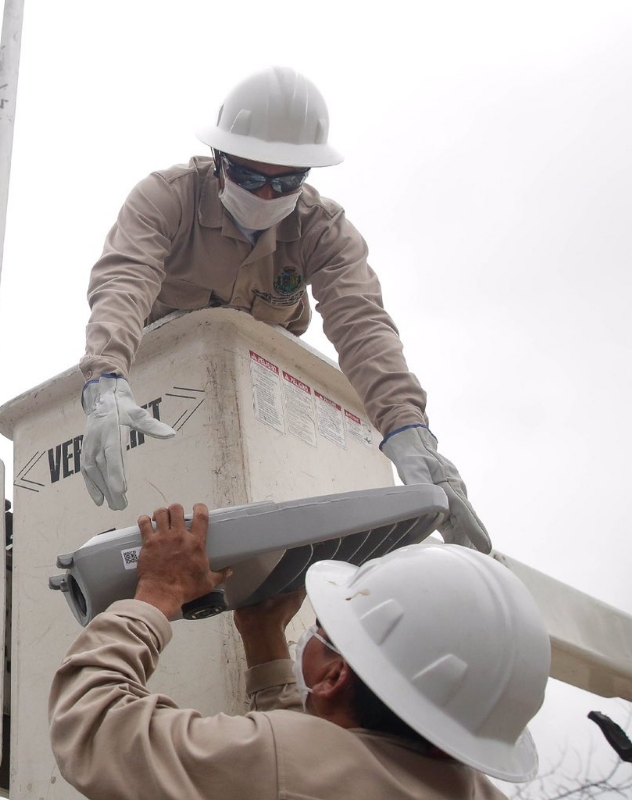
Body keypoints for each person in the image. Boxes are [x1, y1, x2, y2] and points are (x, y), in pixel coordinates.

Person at [79, 66, 489, 552]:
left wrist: (408, 431)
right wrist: (104, 377)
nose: (266, 195)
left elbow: (363, 325)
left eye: (286, 181)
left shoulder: (323, 229)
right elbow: (125, 278)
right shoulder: (166, 199)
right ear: (219, 159)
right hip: (160, 383)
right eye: (250, 176)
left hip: (258, 392)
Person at [49, 503, 547, 800]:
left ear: (333, 678)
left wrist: (157, 594)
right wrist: (265, 641)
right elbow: (322, 787)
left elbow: (91, 720)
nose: (312, 632)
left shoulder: (278, 769)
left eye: (328, 631)